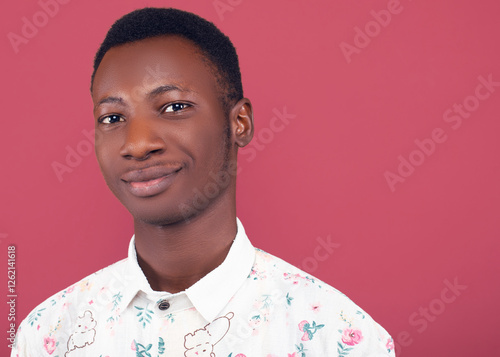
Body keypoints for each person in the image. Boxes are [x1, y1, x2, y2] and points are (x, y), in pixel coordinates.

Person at [12, 7, 395, 356]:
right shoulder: (48, 333)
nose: (138, 143)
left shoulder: (336, 336)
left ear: (239, 123)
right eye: (112, 118)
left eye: (174, 107)